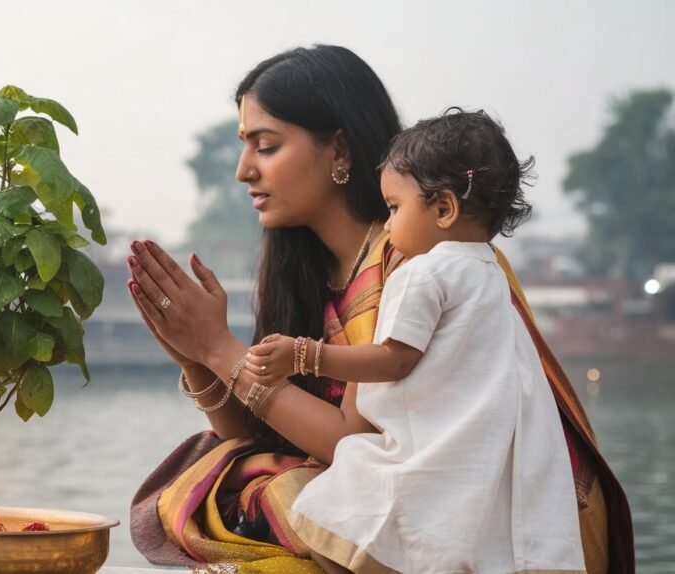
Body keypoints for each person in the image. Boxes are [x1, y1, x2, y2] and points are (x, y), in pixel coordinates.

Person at [126, 45, 632, 574]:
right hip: (373, 500)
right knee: (232, 470)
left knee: (281, 494)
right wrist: (195, 357)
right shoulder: (307, 277)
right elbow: (258, 438)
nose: (242, 171)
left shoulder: (429, 261)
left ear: (338, 150)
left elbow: (356, 443)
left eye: (266, 146)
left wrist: (218, 348)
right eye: (243, 146)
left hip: (449, 509)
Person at [243, 109, 584, 573]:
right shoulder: (489, 271)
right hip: (484, 446)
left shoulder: (424, 270)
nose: (388, 226)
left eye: (394, 208)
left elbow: (395, 360)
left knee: (326, 511)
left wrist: (302, 355)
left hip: (433, 444)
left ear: (443, 208)